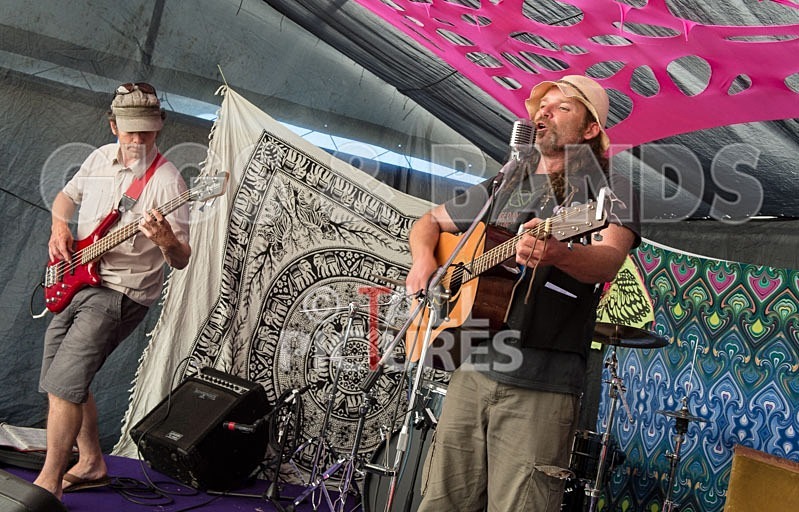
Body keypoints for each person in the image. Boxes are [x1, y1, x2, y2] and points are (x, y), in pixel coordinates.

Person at [406, 75, 640, 511]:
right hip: (470, 367)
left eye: (561, 107)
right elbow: (428, 223)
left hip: (541, 384)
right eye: (541, 106)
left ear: (590, 129)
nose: (543, 113)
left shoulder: (610, 191)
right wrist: (425, 261)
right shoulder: (506, 181)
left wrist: (560, 254)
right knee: (440, 502)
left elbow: (608, 258)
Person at [33, 82, 192, 498]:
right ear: (113, 126)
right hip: (78, 280)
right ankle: (90, 464)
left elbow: (181, 259)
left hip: (120, 294)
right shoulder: (99, 157)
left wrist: (165, 241)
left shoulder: (170, 183)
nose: (138, 139)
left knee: (66, 378)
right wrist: (59, 226)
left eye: (147, 130)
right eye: (130, 130)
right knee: (61, 378)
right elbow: (65, 200)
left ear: (160, 128)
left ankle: (48, 484)